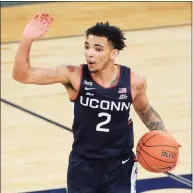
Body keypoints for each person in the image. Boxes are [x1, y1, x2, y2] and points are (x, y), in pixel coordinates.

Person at [13, 13, 181, 193]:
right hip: (82, 165)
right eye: (87, 47)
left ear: (113, 53)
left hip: (120, 166)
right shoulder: (74, 76)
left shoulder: (133, 82)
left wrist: (166, 140)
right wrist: (27, 39)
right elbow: (23, 75)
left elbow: (145, 111)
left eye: (98, 49)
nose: (89, 53)